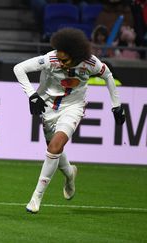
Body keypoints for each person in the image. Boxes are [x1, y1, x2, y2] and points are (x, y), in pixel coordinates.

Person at [13, 28, 126, 213]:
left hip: (73, 108)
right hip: (48, 107)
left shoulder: (90, 62)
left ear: (76, 55)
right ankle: (69, 173)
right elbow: (19, 68)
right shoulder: (51, 59)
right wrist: (32, 95)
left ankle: (36, 198)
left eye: (65, 59)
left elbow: (107, 75)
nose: (61, 62)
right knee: (54, 148)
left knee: (54, 147)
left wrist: (116, 105)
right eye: (59, 57)